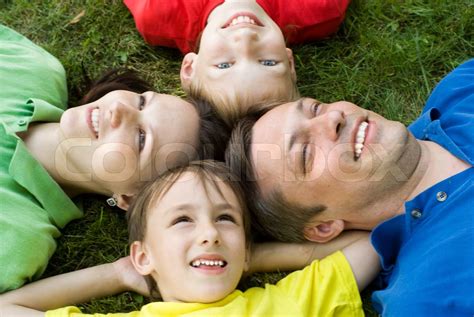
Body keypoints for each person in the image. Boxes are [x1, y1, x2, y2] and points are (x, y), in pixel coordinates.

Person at [226, 59, 474, 315]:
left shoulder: (462, 87)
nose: (333, 118)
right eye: (305, 153)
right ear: (323, 226)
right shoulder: (429, 298)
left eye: (316, 109)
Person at [0, 24, 228, 293]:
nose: (119, 108)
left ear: (130, 198)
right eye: (142, 102)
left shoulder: (17, 238)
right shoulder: (31, 68)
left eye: (141, 138)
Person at [0, 160, 379, 316]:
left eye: (226, 219)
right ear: (143, 256)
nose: (210, 234)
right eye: (182, 219)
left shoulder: (286, 305)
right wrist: (118, 274)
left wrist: (247, 256)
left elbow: (368, 242)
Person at [124, 0, 350, 124]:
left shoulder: (157, 12)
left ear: (190, 68)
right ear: (289, 61)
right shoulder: (322, 8)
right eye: (269, 62)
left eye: (224, 65)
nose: (245, 40)